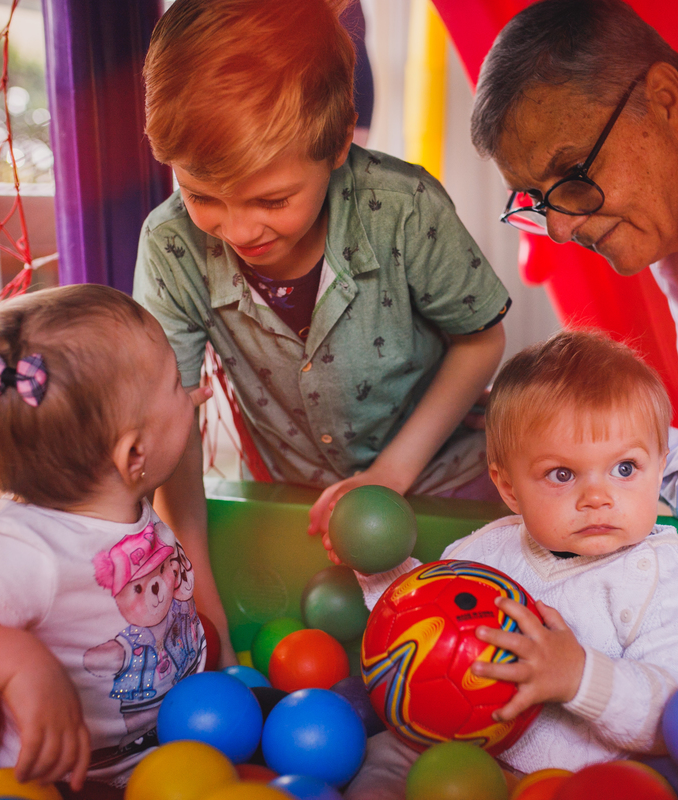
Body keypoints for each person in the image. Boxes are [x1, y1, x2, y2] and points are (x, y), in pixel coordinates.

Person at [133, 0, 512, 655]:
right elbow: (176, 434)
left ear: (339, 145)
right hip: (301, 515)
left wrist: (391, 474)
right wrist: (205, 613)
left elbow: (480, 338)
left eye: (272, 200)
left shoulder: (402, 207)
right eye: (202, 195)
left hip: (452, 492)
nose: (239, 228)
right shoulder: (171, 245)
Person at [469, 0, 678, 545]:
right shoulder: (669, 201)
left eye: (574, 171)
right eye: (536, 197)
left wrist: (610, 459)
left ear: (665, 101)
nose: (558, 228)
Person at [337, 330, 678, 798]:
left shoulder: (664, 583)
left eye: (625, 468)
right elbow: (422, 617)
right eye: (562, 474)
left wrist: (579, 676)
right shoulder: (487, 552)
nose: (598, 498)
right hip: (466, 758)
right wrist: (379, 565)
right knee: (384, 757)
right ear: (509, 488)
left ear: (660, 468)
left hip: (588, 775)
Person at [0, 285, 213, 791]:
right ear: (134, 454)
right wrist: (17, 663)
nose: (193, 394)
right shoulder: (28, 550)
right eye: (179, 384)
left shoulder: (127, 494)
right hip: (66, 782)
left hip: (181, 747)